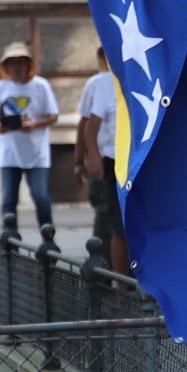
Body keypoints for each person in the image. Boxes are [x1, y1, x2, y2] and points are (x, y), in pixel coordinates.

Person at [0, 42, 60, 232]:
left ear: (28, 64)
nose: (16, 67)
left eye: (20, 62)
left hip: (36, 152)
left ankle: (47, 233)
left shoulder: (41, 85)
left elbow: (53, 116)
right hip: (10, 152)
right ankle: (10, 239)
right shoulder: (0, 87)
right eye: (12, 63)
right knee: (9, 198)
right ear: (6, 66)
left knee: (40, 195)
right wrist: (0, 126)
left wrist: (34, 125)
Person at [74, 47, 128, 274]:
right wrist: (82, 159)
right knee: (108, 220)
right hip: (109, 161)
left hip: (133, 160)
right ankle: (105, 272)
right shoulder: (99, 84)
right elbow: (86, 123)